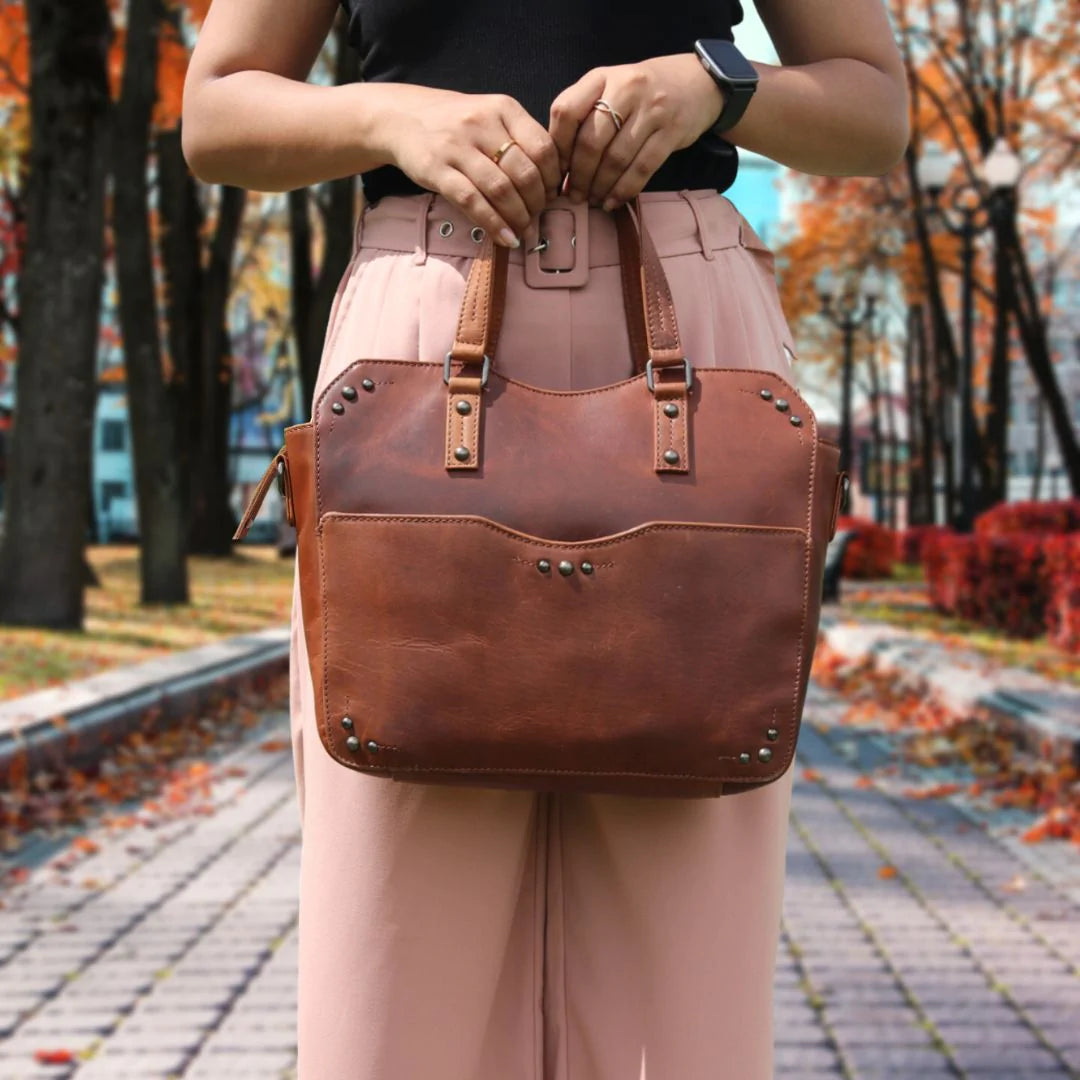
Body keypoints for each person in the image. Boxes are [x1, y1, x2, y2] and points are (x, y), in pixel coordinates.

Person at [182, 2, 908, 1076]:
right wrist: (395, 118)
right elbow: (217, 111)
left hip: (687, 336)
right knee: (395, 953)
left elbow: (873, 105)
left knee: (687, 970)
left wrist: (717, 85)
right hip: (426, 325)